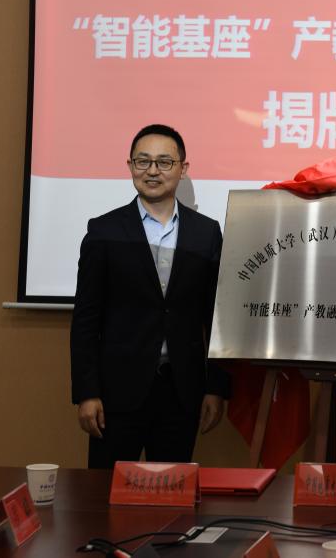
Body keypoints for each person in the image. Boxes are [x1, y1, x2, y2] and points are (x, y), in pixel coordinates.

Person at [70, 124, 229, 469]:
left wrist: (215, 388)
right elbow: (85, 320)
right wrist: (87, 392)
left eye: (164, 162)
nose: (153, 171)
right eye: (143, 161)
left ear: (183, 169)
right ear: (130, 166)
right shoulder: (104, 231)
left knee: (173, 493)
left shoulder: (206, 233)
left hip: (181, 393)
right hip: (115, 395)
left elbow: (217, 317)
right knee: (105, 494)